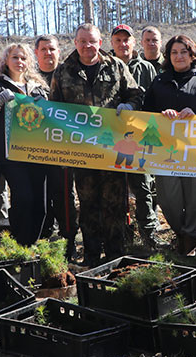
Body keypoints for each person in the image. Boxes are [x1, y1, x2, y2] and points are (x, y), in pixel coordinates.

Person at [50, 24, 143, 265]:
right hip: (81, 150)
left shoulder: (116, 66)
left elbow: (136, 94)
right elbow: (53, 110)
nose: (87, 46)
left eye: (92, 41)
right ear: (75, 43)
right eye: (82, 41)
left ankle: (116, 257)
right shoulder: (63, 72)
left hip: (112, 149)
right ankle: (91, 258)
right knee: (88, 205)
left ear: (100, 43)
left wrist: (129, 106)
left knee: (115, 206)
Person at [142, 34, 196, 254]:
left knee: (195, 197)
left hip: (195, 151)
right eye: (174, 52)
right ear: (168, 56)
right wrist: (160, 114)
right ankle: (180, 231)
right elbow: (145, 113)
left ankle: (191, 239)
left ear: (192, 55)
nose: (179, 56)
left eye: (184, 52)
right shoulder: (159, 82)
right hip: (165, 152)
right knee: (168, 197)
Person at [0, 44, 50, 246]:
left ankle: (32, 243)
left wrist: (45, 104)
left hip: (36, 153)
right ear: (6, 60)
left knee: (40, 203)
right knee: (23, 197)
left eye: (23, 58)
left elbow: (51, 120)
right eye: (15, 57)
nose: (19, 61)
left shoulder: (38, 86)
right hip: (10, 154)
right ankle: (20, 242)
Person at [110, 24, 159, 245]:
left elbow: (153, 100)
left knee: (143, 187)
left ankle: (149, 234)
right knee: (115, 189)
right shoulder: (105, 67)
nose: (122, 44)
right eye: (118, 40)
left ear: (133, 42)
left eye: (126, 40)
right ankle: (121, 235)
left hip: (140, 137)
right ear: (112, 43)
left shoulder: (146, 68)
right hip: (111, 137)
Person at [31, 34, 79, 252]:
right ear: (36, 53)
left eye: (52, 49)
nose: (48, 53)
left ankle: (69, 240)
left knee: (63, 194)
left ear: (58, 51)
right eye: (43, 49)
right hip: (35, 145)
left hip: (63, 145)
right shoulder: (29, 77)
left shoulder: (69, 74)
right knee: (39, 194)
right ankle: (42, 238)